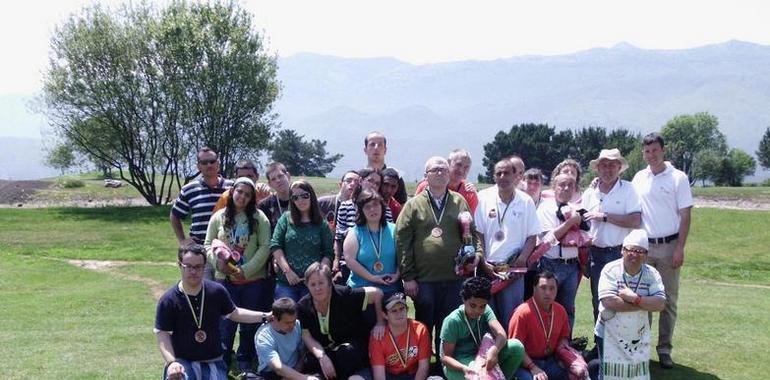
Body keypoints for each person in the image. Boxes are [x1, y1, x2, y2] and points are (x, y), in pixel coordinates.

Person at [397, 156, 482, 361]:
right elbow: (402, 240)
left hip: (455, 278)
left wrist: (477, 254)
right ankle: (422, 365)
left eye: (444, 169)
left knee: (448, 325)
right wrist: (408, 276)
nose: (440, 173)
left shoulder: (458, 201)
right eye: (435, 170)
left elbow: (473, 232)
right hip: (424, 279)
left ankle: (446, 367)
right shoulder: (413, 205)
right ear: (426, 176)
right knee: (424, 324)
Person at [155, 244, 270, 380]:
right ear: (180, 265)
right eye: (188, 266)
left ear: (204, 267)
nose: (193, 271)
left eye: (198, 267)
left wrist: (265, 316)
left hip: (213, 360)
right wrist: (171, 362)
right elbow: (162, 334)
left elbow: (234, 313)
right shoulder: (168, 299)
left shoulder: (216, 291)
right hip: (182, 361)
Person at [631, 133, 692, 369]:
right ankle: (642, 347)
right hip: (644, 247)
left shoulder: (678, 178)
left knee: (667, 300)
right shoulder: (639, 177)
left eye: (655, 150)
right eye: (647, 151)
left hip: (669, 246)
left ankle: (665, 349)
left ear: (663, 150)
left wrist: (680, 248)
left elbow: (685, 215)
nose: (651, 155)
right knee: (643, 299)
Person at [203, 177, 272, 375]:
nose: (242, 197)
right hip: (224, 281)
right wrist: (218, 263)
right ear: (232, 192)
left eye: (247, 194)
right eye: (239, 192)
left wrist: (247, 270)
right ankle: (222, 360)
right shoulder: (218, 216)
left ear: (252, 198)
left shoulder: (260, 218)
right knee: (225, 322)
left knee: (248, 324)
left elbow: (265, 246)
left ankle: (244, 359)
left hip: (252, 280)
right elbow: (208, 244)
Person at [581, 149, 642, 360]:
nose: (608, 169)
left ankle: (623, 348)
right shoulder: (590, 193)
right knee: (598, 301)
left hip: (620, 254)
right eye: (604, 165)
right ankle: (601, 347)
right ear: (598, 168)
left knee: (623, 300)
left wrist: (604, 216)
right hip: (595, 254)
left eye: (612, 165)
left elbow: (635, 220)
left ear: (619, 168)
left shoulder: (629, 190)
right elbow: (582, 222)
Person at [474, 157, 539, 327]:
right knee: (487, 318)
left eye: (507, 173)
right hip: (487, 269)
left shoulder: (526, 201)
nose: (503, 176)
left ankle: (510, 352)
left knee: (511, 317)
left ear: (516, 175)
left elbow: (532, 236)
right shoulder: (483, 197)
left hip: (513, 270)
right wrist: (482, 261)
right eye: (499, 173)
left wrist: (523, 257)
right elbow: (478, 233)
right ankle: (490, 353)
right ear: (494, 176)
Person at [594, 229, 666, 379]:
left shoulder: (652, 274)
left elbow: (660, 304)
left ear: (646, 255)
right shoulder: (610, 270)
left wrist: (634, 298)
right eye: (630, 250)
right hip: (609, 334)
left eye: (640, 251)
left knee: (636, 375)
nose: (634, 254)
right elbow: (608, 301)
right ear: (622, 251)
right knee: (608, 375)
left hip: (637, 335)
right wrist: (644, 303)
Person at [298, 263, 385, 380]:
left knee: (347, 355)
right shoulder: (303, 306)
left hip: (350, 350)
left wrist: (380, 323)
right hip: (325, 351)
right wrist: (321, 357)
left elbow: (377, 293)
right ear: (307, 285)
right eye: (312, 284)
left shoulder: (344, 295)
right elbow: (306, 336)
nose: (317, 288)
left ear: (329, 282)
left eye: (321, 283)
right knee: (313, 360)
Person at [440, 276, 524, 380]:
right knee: (478, 376)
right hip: (460, 363)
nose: (477, 311)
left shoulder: (486, 310)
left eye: (482, 306)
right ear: (463, 300)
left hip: (483, 355)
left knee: (517, 347)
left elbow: (501, 334)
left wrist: (494, 350)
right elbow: (446, 358)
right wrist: (464, 368)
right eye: (473, 305)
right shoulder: (452, 321)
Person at [170, 147, 233, 278]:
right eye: (204, 163)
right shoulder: (189, 189)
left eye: (212, 161)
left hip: (228, 250)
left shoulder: (232, 188)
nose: (209, 165)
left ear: (218, 163)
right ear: (198, 166)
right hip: (200, 251)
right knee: (202, 291)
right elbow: (175, 215)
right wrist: (182, 240)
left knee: (224, 292)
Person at [536, 173, 586, 330]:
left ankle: (566, 345)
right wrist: (571, 222)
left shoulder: (576, 210)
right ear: (553, 187)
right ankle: (545, 345)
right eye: (562, 184)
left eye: (570, 185)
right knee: (547, 306)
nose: (566, 188)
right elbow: (549, 238)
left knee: (568, 309)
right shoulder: (545, 208)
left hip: (571, 266)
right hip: (550, 264)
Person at [271, 180, 334, 302]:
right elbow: (275, 245)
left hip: (313, 285)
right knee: (286, 318)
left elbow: (328, 253)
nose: (300, 200)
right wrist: (287, 271)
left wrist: (320, 274)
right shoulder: (285, 219)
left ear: (311, 196)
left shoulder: (322, 224)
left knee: (310, 319)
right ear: (292, 200)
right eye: (295, 197)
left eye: (305, 196)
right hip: (286, 282)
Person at [508, 271, 572, 380]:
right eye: (543, 288)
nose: (548, 293)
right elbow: (515, 349)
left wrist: (563, 356)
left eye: (552, 288)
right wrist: (532, 367)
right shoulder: (522, 313)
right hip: (525, 363)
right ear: (534, 288)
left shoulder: (560, 310)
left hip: (551, 360)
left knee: (574, 375)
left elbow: (564, 337)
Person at [335, 168, 393, 281]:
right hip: (350, 262)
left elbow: (389, 234)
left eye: (377, 183)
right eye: (370, 181)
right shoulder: (345, 207)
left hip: (380, 261)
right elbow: (338, 236)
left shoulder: (385, 209)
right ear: (361, 181)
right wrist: (336, 261)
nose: (373, 185)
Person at [344, 189, 401, 297]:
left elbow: (403, 256)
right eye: (367, 207)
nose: (372, 209)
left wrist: (397, 274)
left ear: (382, 207)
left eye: (375, 205)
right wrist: (372, 278)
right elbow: (350, 260)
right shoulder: (354, 232)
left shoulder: (395, 230)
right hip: (362, 290)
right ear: (361, 211)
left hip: (392, 290)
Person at [369, 293, 431, 380]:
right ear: (385, 315)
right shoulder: (378, 336)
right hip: (389, 375)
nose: (399, 313)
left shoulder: (420, 329)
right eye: (394, 311)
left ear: (407, 309)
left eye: (402, 309)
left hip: (414, 375)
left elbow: (423, 367)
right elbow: (379, 376)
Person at [256, 297, 319, 380]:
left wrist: (295, 374)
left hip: (296, 369)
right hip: (272, 373)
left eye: (294, 321)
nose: (292, 326)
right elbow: (277, 367)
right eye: (287, 323)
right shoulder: (264, 336)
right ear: (274, 319)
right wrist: (305, 378)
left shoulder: (298, 325)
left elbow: (303, 353)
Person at [318, 170, 361, 280]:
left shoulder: (361, 207)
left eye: (357, 181)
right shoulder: (323, 203)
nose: (352, 183)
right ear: (340, 184)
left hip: (347, 258)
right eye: (349, 180)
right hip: (322, 254)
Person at [415, 149, 479, 214]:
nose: (461, 170)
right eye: (458, 165)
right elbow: (415, 213)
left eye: (466, 167)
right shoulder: (426, 186)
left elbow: (469, 221)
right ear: (448, 163)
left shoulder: (469, 194)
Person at [364, 131, 408, 204]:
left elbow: (402, 207)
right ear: (365, 150)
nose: (376, 148)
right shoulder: (359, 177)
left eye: (380, 145)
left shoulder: (395, 177)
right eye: (372, 144)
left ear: (385, 150)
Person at [521, 168, 545, 301]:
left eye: (536, 183)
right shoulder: (517, 202)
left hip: (541, 260)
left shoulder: (546, 204)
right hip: (520, 257)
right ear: (522, 182)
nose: (532, 186)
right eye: (529, 182)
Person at [259, 162, 293, 232]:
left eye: (280, 176)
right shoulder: (264, 206)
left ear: (288, 176)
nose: (278, 180)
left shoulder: (301, 199)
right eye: (273, 179)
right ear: (270, 184)